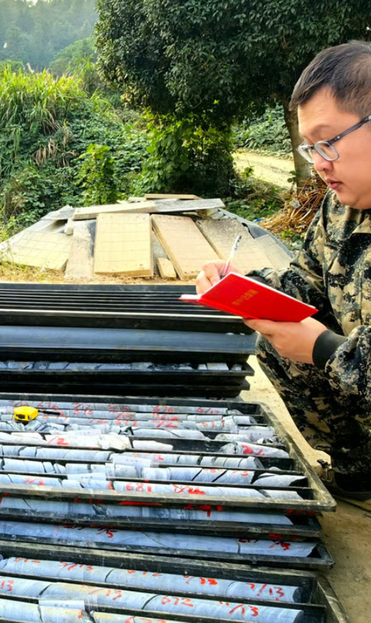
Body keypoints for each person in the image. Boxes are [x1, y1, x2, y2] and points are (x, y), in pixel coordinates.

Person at [197, 41, 371, 507]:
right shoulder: (342, 208)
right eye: (310, 147)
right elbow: (305, 285)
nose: (318, 163)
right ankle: (360, 470)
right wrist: (241, 287)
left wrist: (321, 346)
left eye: (329, 141)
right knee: (275, 338)